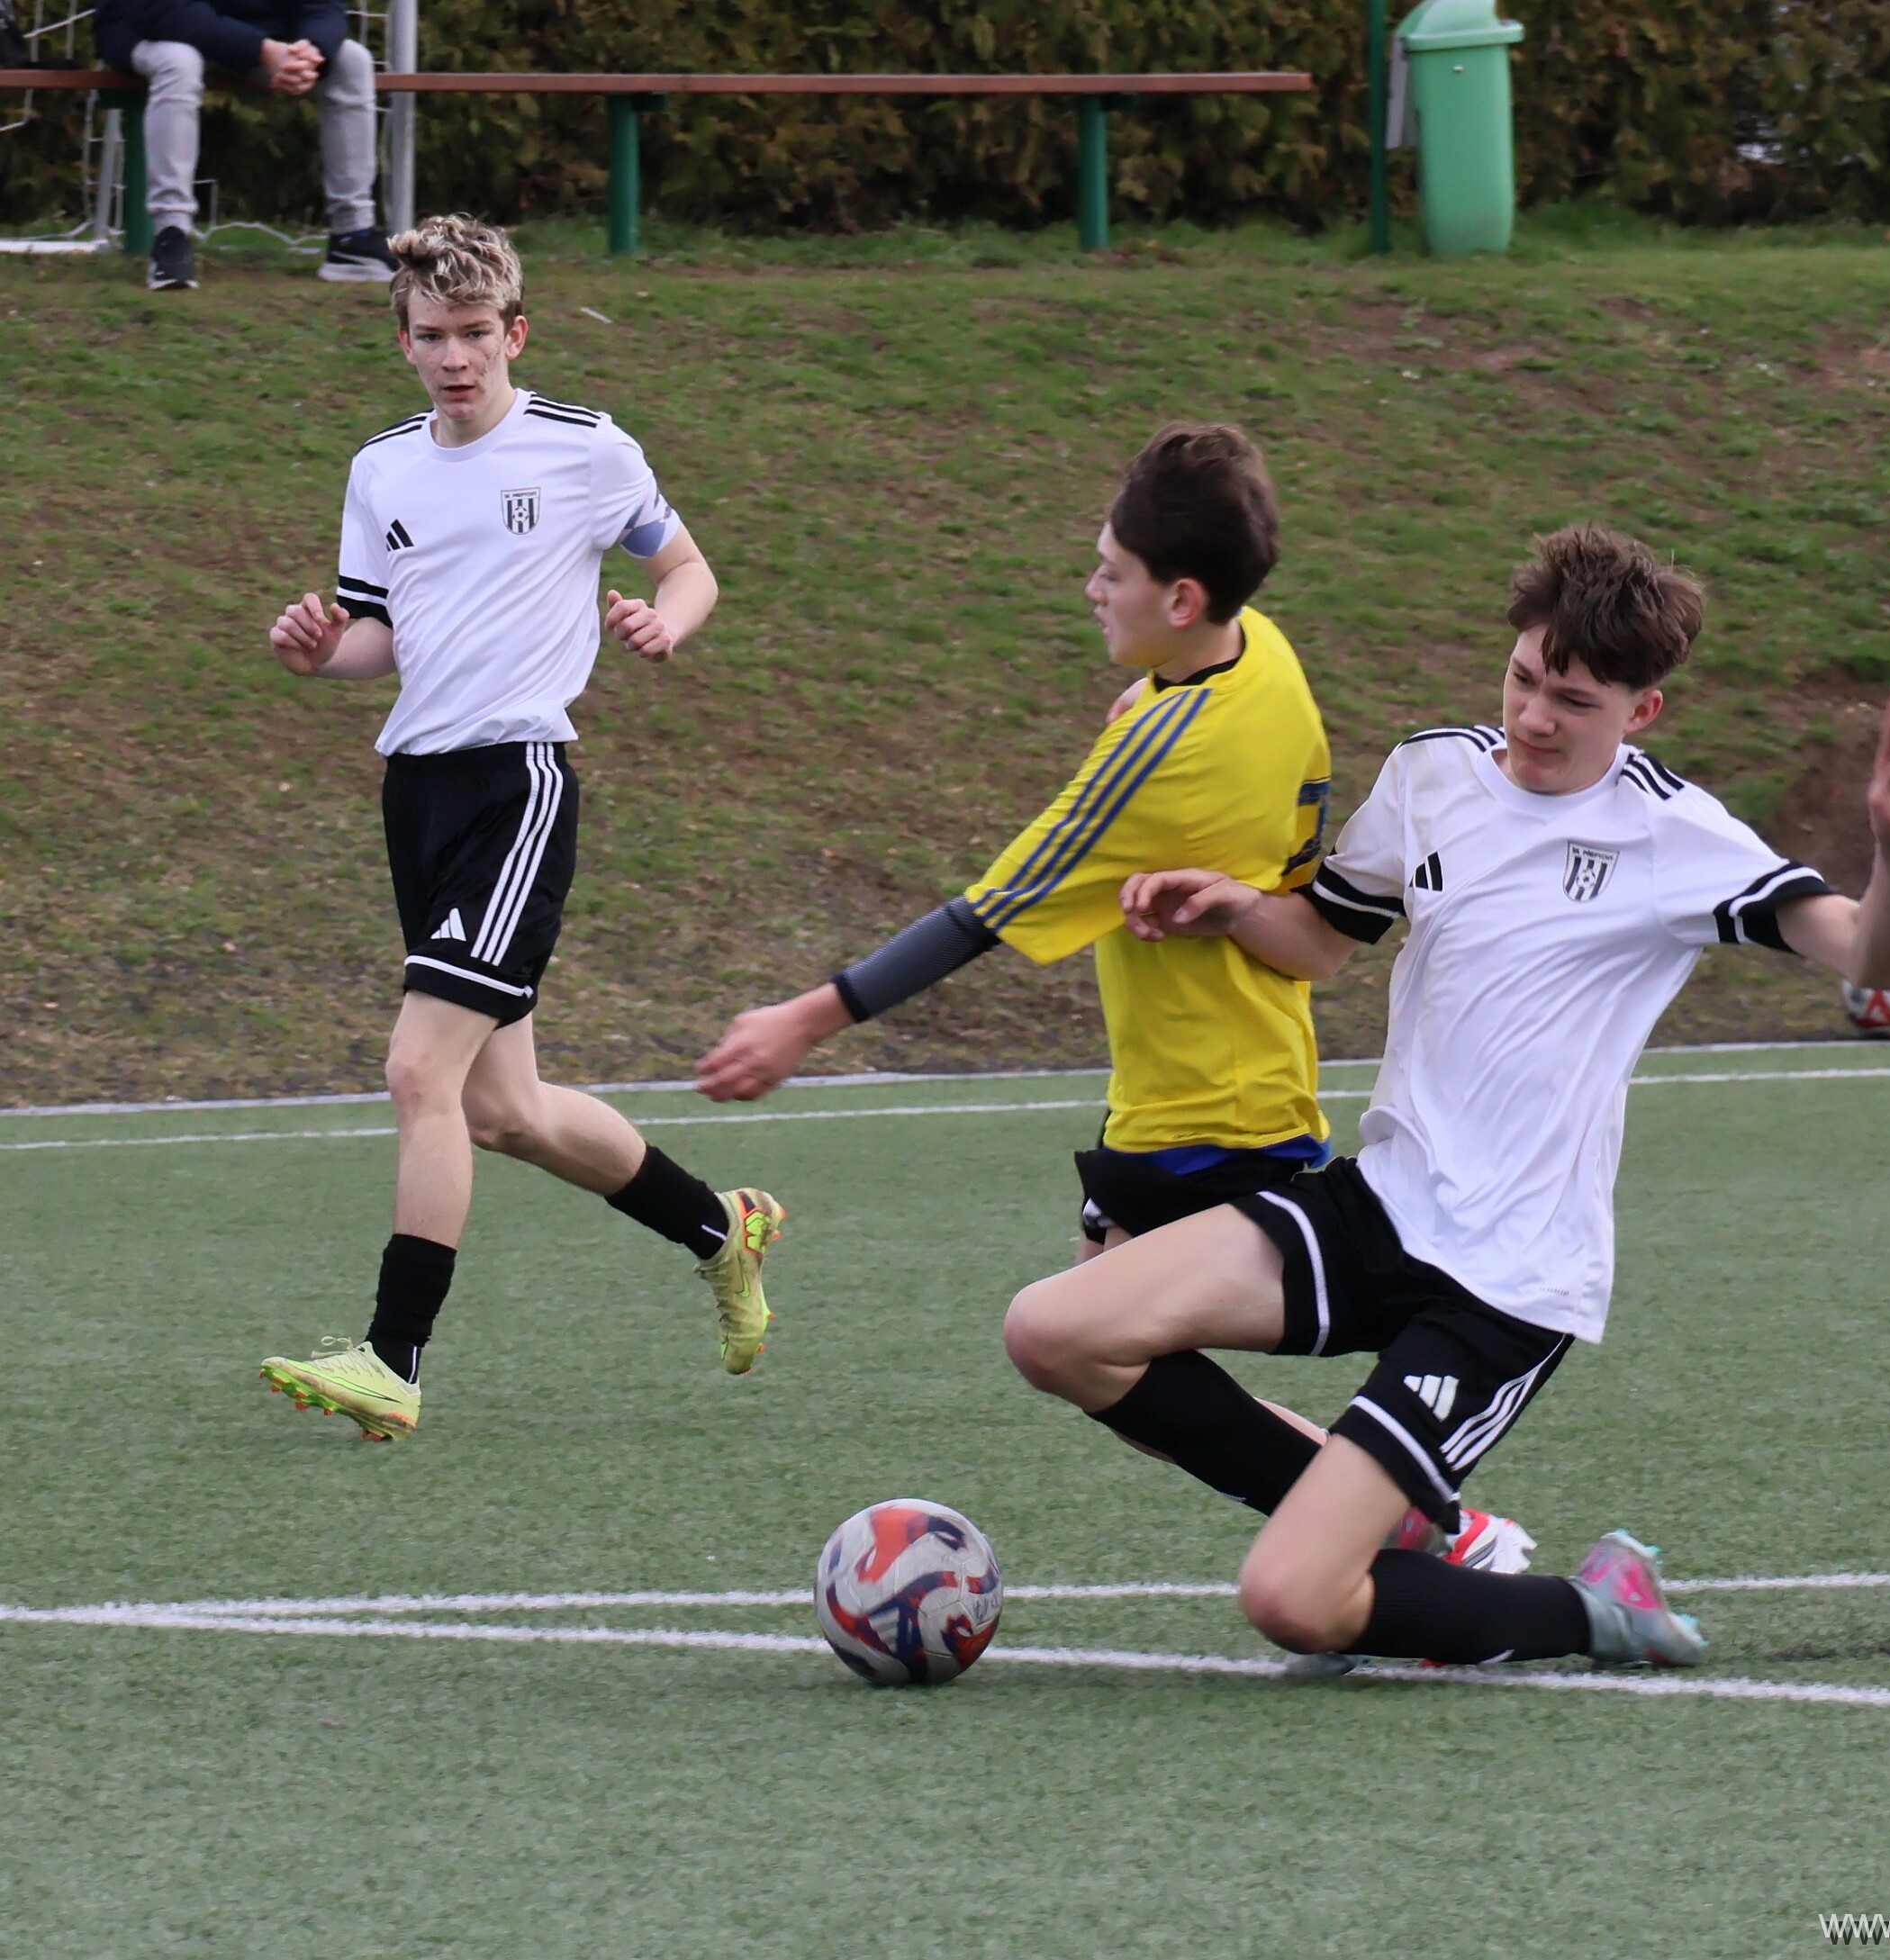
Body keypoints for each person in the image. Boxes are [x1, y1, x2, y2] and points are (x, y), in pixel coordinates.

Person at [1001, 521, 1890, 1672]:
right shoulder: (1433, 775)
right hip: (1379, 1205)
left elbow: (1870, 956)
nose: (1536, 716)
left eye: (1575, 700)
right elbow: (1322, 940)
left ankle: (1596, 1606)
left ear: (1642, 711)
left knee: (1291, 1599)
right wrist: (1236, 906)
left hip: (1504, 1278)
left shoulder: (1673, 835)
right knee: (1054, 1328)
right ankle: (1405, 1521)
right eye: (1524, 677)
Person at [693, 422, 1527, 1572]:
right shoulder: (1260, 653)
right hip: (1211, 1087)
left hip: (1209, 1115)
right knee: (1116, 1362)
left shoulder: (1163, 749)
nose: (1091, 586)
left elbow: (986, 911)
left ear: (1182, 597)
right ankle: (1401, 1531)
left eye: (1111, 570)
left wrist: (805, 1018)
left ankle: (1418, 1534)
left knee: (1090, 1349)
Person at [258, 214, 782, 1442]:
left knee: (418, 1071)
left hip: (519, 785)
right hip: (417, 791)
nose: (455, 356)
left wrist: (665, 622)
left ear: (516, 333)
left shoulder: (585, 448)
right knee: (506, 1110)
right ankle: (724, 1231)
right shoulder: (382, 468)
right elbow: (382, 638)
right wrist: (319, 652)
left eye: (475, 333)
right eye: (431, 335)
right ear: (401, 341)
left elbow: (690, 568)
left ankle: (392, 1359)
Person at [93, 0, 396, 290]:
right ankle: (171, 234)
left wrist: (311, 50)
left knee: (352, 61)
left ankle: (351, 237)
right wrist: (260, 49)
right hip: (147, 30)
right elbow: (162, 10)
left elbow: (323, 7)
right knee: (179, 62)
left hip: (257, 39)